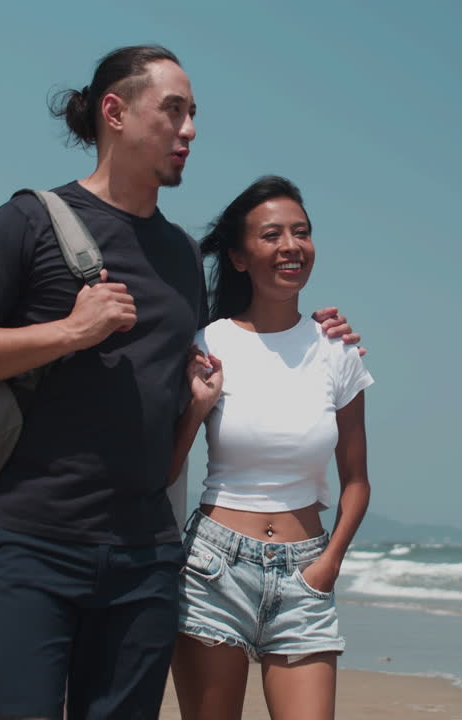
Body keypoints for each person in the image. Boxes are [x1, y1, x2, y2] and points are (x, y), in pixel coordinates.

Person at [0, 48, 359, 719]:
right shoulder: (30, 221)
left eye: (193, 115)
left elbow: (236, 349)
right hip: (35, 540)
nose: (189, 131)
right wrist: (71, 332)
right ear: (115, 112)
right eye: (174, 111)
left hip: (146, 557)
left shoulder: (181, 254)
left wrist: (321, 332)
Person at [169, 176, 373, 720]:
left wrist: (329, 562)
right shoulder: (209, 343)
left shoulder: (338, 351)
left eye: (301, 233)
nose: (291, 246)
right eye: (271, 235)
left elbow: (357, 479)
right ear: (239, 256)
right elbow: (166, 468)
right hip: (214, 569)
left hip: (306, 573)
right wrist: (195, 406)